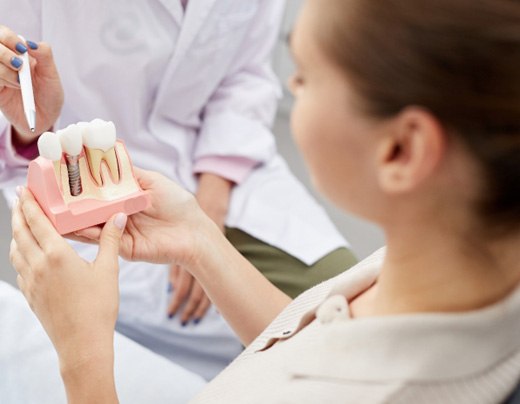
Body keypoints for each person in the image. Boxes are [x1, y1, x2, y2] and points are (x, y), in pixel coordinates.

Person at [10, 0, 520, 402]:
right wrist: (201, 242)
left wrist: (84, 356)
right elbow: (323, 347)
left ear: (400, 150)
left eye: (304, 76)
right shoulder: (425, 279)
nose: (289, 86)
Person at [0, 0, 356, 380]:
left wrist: (209, 209)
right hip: (84, 186)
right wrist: (33, 128)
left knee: (341, 307)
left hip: (228, 173)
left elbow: (246, 74)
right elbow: (18, 102)